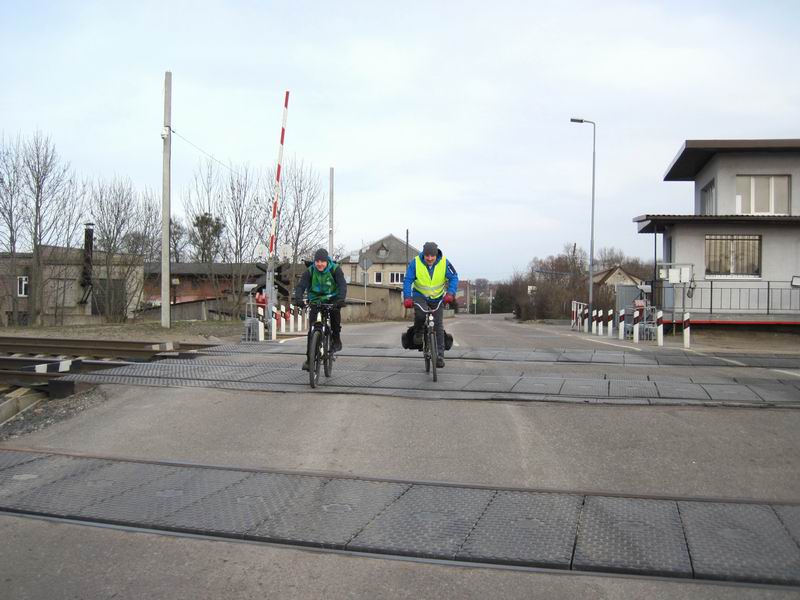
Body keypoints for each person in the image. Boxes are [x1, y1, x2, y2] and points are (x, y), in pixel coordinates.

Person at [403, 241, 458, 368]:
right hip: (420, 295)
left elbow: (454, 277)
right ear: (423, 254)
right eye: (427, 255)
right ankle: (418, 332)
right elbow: (408, 280)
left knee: (438, 325)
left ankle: (439, 356)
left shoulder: (444, 262)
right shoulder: (415, 262)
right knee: (421, 315)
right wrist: (407, 297)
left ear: (436, 254)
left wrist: (450, 293)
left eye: (432, 255)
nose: (429, 258)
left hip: (438, 298)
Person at [294, 248, 347, 370]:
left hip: (332, 298)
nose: (319, 264)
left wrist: (340, 299)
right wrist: (298, 299)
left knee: (334, 316)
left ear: (327, 261)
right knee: (312, 329)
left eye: (322, 261)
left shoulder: (335, 269)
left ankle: (336, 339)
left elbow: (342, 285)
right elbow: (301, 286)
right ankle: (309, 359)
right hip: (315, 300)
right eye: (317, 261)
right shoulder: (310, 271)